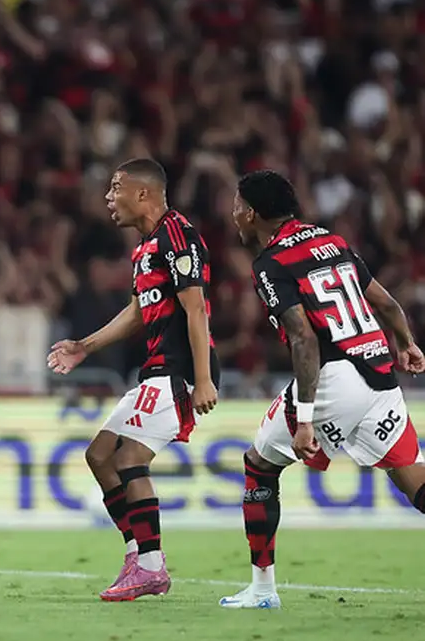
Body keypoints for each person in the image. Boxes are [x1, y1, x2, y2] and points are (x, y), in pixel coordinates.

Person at [219, 169, 425, 610]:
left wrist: (306, 420)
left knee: (259, 465)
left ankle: (262, 591)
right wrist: (406, 342)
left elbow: (304, 339)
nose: (233, 215)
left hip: (336, 378)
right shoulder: (331, 241)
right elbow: (385, 301)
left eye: (237, 206)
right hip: (379, 371)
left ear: (252, 213)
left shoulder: (270, 263)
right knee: (415, 482)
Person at [47, 158, 219, 602]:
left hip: (179, 369)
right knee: (99, 455)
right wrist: (85, 346)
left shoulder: (177, 235)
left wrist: (202, 379)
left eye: (115, 187)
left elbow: (196, 308)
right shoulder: (146, 247)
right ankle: (136, 553)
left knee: (129, 459)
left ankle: (151, 566)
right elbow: (140, 311)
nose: (108, 197)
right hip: (156, 368)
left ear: (143, 193)